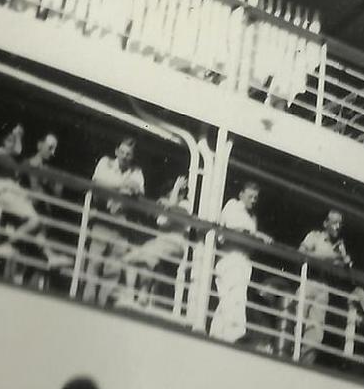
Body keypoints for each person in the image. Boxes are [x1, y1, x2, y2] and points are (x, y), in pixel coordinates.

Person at [0, 125, 70, 269]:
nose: (53, 153)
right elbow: (17, 151)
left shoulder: (43, 169)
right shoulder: (10, 156)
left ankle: (50, 256)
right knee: (34, 223)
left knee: (36, 228)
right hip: (9, 201)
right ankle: (6, 245)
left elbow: (56, 195)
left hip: (21, 205)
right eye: (50, 147)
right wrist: (17, 135)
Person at [81, 137, 146, 306]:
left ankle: (102, 305)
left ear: (132, 157)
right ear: (116, 151)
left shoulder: (136, 171)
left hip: (121, 223)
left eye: (128, 154)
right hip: (102, 218)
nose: (124, 156)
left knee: (113, 268)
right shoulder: (106, 162)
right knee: (94, 261)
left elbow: (139, 191)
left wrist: (118, 187)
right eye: (122, 152)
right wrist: (123, 185)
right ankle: (88, 302)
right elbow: (98, 183)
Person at [209, 181, 273, 343]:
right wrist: (257, 235)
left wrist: (255, 236)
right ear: (241, 194)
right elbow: (234, 230)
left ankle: (217, 335)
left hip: (243, 261)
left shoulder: (252, 218)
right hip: (230, 258)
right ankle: (234, 334)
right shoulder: (233, 206)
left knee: (229, 299)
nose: (253, 200)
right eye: (250, 196)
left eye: (256, 198)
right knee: (235, 297)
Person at [118, 175, 193, 309]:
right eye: (171, 193)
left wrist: (175, 190)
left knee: (144, 258)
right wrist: (164, 204)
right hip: (161, 244)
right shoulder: (166, 205)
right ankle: (136, 295)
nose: (173, 195)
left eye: (177, 192)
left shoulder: (185, 205)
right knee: (132, 259)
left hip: (174, 245)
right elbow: (162, 218)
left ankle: (140, 295)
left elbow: (171, 210)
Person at [296, 209, 353, 365]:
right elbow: (300, 254)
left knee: (315, 332)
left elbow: (344, 270)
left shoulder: (340, 246)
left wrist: (344, 260)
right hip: (309, 282)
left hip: (324, 288)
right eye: (334, 222)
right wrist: (330, 257)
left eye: (340, 223)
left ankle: (305, 365)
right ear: (325, 223)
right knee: (297, 321)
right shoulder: (314, 236)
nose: (337, 226)